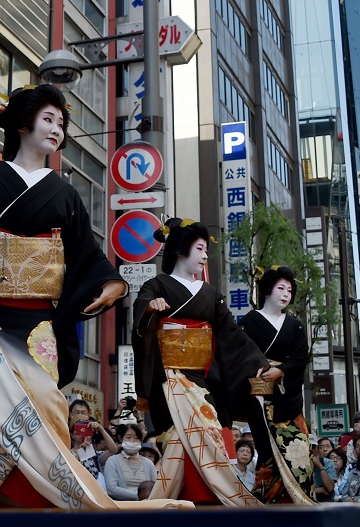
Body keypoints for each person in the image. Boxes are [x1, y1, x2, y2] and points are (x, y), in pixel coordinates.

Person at [0, 85, 187, 510]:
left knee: (48, 405)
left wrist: (112, 282)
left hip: (40, 323)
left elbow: (86, 255)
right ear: (23, 124)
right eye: (48, 119)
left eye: (61, 123)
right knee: (4, 412)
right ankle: (37, 498)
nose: (57, 129)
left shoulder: (65, 192)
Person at [132, 217, 268, 506]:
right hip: (168, 378)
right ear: (181, 250)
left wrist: (257, 362)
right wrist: (150, 310)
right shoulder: (156, 285)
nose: (206, 256)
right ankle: (179, 500)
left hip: (201, 379)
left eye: (206, 250)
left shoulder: (210, 295)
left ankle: (208, 500)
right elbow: (140, 311)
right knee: (176, 439)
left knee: (210, 431)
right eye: (200, 248)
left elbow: (231, 333)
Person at [239, 266, 313, 504]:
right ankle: (267, 503)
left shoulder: (295, 325)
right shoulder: (251, 320)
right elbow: (242, 353)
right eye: (280, 288)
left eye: (289, 290)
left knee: (299, 448)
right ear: (267, 290)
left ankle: (299, 500)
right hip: (260, 395)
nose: (285, 294)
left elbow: (302, 357)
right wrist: (262, 370)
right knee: (269, 453)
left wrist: (280, 370)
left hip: (287, 395)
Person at [104, 424, 157, 500]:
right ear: (121, 438)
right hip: (122, 507)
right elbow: (111, 489)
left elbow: (156, 487)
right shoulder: (112, 461)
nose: (132, 441)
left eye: (136, 438)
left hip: (146, 506)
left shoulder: (148, 463)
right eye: (128, 437)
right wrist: (140, 496)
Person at [310, 435, 336, 502]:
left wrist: (320, 466)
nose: (311, 450)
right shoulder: (299, 464)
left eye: (313, 447)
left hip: (325, 504)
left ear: (317, 449)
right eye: (309, 447)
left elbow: (330, 488)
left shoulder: (327, 462)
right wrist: (319, 490)